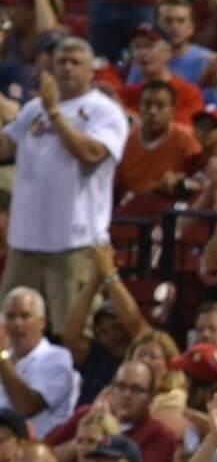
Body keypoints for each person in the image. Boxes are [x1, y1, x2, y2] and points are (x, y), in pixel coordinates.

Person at [0, 38, 129, 326]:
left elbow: (90, 154)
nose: (67, 68)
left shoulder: (104, 111)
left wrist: (55, 113)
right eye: (62, 61)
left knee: (72, 330)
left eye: (75, 62)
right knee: (9, 327)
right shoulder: (34, 109)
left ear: (90, 71)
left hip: (74, 243)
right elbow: (5, 147)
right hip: (25, 241)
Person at [0, 286, 79, 438]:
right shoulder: (5, 355)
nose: (17, 324)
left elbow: (26, 407)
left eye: (25, 316)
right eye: (10, 317)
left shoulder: (57, 357)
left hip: (38, 449)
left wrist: (1, 356)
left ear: (42, 322)